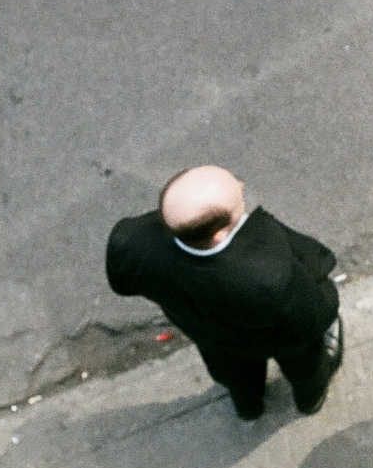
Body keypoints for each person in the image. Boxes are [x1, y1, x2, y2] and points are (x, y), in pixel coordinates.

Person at [106, 165, 343, 419]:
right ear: (218, 235)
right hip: (276, 340)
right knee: (305, 368)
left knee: (236, 377)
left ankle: (248, 408)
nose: (241, 184)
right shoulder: (269, 275)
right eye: (237, 193)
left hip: (211, 339)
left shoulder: (129, 243)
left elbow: (122, 284)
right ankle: (310, 400)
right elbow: (313, 317)